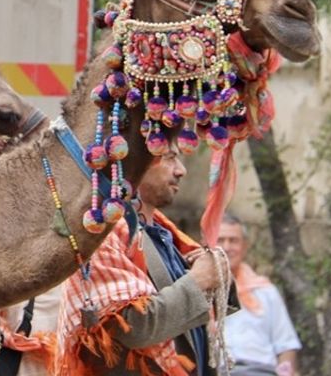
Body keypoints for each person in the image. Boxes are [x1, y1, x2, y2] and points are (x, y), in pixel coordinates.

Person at [50, 141, 226, 376]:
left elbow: (188, 317)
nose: (181, 170)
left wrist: (218, 278)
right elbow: (133, 327)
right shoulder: (103, 234)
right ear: (138, 162)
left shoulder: (168, 236)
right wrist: (198, 281)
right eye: (170, 157)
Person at [217, 213, 301, 376]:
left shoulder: (265, 291)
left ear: (245, 246)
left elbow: (286, 346)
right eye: (220, 240)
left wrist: (285, 373)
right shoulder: (197, 291)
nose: (227, 247)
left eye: (233, 240)